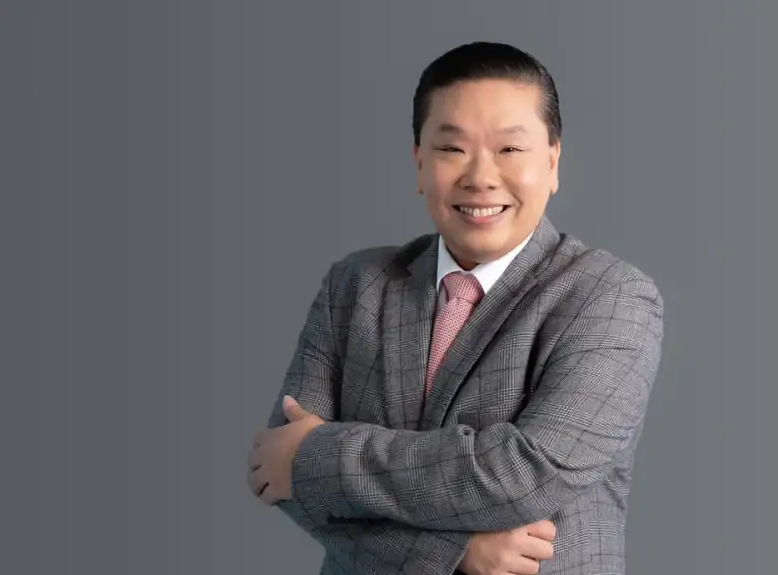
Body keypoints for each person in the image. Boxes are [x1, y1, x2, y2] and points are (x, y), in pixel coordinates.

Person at [247, 41, 664, 575]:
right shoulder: (355, 286)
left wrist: (317, 456)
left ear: (552, 162)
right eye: (452, 149)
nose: (481, 177)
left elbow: (522, 475)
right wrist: (453, 552)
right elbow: (276, 473)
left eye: (510, 149)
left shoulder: (611, 297)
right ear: (420, 163)